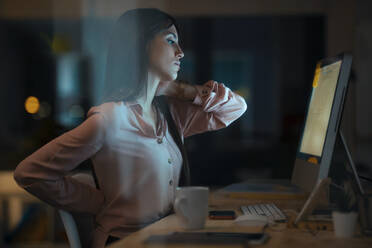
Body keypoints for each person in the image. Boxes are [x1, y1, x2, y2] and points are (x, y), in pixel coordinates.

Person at [14, 8, 247, 247]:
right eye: (170, 41)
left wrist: (183, 90)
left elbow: (236, 108)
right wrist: (97, 201)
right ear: (141, 45)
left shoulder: (170, 115)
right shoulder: (110, 119)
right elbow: (30, 173)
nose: (180, 52)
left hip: (166, 239)